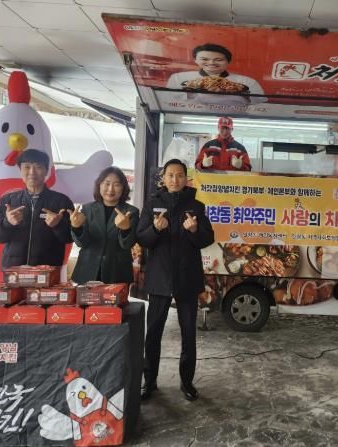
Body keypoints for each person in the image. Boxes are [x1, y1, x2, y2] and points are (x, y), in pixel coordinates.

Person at [137, 158, 215, 402]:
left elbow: (207, 239)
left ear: (186, 178)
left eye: (179, 175)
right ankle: (149, 381)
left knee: (188, 333)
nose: (175, 179)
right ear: (163, 178)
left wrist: (194, 230)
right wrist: (156, 229)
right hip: (159, 277)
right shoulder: (152, 204)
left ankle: (187, 382)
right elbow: (142, 238)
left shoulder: (196, 206)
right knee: (153, 333)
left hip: (187, 277)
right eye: (170, 175)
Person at [0, 149, 74, 269]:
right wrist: (8, 223)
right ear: (20, 170)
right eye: (27, 167)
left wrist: (57, 225)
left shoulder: (62, 201)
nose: (32, 172)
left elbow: (70, 238)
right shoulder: (8, 200)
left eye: (38, 167)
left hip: (47, 271)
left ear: (46, 171)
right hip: (14, 271)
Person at [69, 166, 139, 284]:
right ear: (99, 185)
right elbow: (81, 243)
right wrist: (76, 228)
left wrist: (126, 229)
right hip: (87, 270)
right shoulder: (87, 209)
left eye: (117, 184)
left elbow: (127, 245)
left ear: (123, 188)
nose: (110, 189)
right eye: (106, 183)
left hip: (117, 272)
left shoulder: (131, 211)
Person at [166, 43, 267, 104]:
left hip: (234, 116)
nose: (211, 63)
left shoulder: (247, 82)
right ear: (195, 60)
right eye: (204, 59)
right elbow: (167, 100)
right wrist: (189, 93)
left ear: (228, 62)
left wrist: (246, 96)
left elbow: (261, 103)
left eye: (218, 60)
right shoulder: (178, 78)